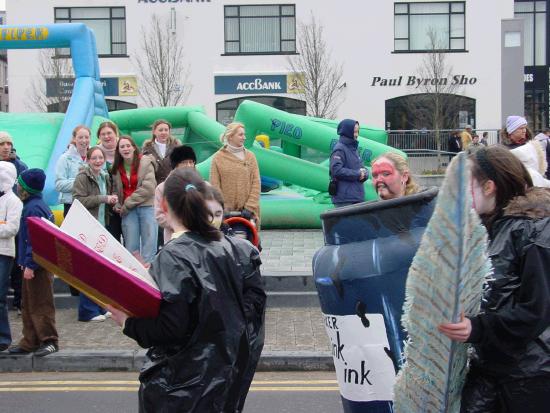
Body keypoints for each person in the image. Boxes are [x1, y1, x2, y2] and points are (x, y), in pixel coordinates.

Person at [107, 169, 263, 413]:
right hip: (226, 382)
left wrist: (128, 323)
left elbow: (170, 328)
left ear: (164, 204)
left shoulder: (174, 256)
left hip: (180, 388)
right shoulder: (238, 249)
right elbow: (247, 318)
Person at [438, 146, 550, 412]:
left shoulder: (534, 231)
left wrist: (477, 328)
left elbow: (536, 311)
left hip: (529, 376)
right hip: (494, 367)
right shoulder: (490, 225)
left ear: (488, 187)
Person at [203, 184, 266, 412]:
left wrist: (232, 320)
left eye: (218, 214)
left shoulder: (241, 250)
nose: (213, 220)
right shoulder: (183, 250)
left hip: (231, 339)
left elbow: (255, 297)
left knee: (228, 399)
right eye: (207, 214)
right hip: (199, 346)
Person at [9, 168, 58, 357]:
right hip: (33, 263)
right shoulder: (35, 205)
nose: (17, 187)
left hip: (37, 265)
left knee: (41, 304)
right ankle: (30, 340)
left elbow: (34, 240)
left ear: (26, 189)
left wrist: (29, 264)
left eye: (19, 185)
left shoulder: (33, 208)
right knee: (29, 304)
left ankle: (49, 340)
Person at [72, 146, 118, 322]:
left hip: (100, 226)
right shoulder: (82, 177)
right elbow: (78, 199)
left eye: (100, 158)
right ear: (88, 160)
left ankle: (99, 306)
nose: (98, 161)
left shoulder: (104, 177)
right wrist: (103, 199)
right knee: (89, 270)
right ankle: (87, 310)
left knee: (100, 269)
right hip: (87, 227)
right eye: (95, 158)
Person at [111, 136, 157, 264]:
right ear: (118, 150)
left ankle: (149, 277)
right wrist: (117, 204)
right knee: (131, 246)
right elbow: (115, 189)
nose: (125, 149)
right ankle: (134, 276)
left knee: (149, 244)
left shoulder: (146, 162)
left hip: (146, 206)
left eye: (128, 146)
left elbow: (148, 188)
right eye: (122, 147)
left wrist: (127, 203)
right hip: (128, 211)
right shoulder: (116, 168)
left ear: (133, 147)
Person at [210, 122, 261, 227]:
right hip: (227, 215)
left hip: (248, 214)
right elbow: (214, 186)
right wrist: (222, 207)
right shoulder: (218, 158)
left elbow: (256, 183)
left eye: (244, 134)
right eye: (240, 134)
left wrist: (249, 207)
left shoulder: (250, 157)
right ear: (230, 136)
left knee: (251, 242)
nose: (244, 137)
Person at [0, 131, 27, 315]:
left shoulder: (20, 166)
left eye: (9, 143)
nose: (6, 147)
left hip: (15, 218)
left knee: (19, 262)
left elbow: (26, 190)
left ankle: (20, 301)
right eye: (2, 144)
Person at [0, 162, 23, 352]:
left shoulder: (13, 201)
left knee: (0, 296)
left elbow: (11, 228)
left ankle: (4, 337)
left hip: (4, 253)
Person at [154, 145, 196, 244]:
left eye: (191, 162)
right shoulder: (162, 188)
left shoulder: (203, 186)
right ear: (176, 165)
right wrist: (180, 224)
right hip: (173, 240)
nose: (189, 165)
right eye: (184, 162)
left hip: (198, 240)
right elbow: (159, 215)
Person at [329, 119, 368, 207]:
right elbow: (336, 170)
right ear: (347, 132)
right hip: (345, 199)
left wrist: (365, 173)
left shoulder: (354, 149)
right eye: (354, 132)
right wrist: (358, 174)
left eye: (357, 132)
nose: (357, 135)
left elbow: (361, 167)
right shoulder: (340, 149)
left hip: (356, 197)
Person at [55, 125, 90, 217]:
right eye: (80, 137)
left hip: (91, 204)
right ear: (74, 139)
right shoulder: (65, 158)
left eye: (86, 137)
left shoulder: (95, 156)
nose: (84, 140)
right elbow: (59, 185)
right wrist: (80, 182)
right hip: (71, 204)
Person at [97, 121, 123, 242]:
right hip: (107, 206)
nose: (107, 136)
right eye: (103, 134)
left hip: (126, 203)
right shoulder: (95, 153)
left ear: (115, 133)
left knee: (130, 241)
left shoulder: (124, 148)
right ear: (99, 136)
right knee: (112, 240)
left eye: (109, 133)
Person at [142, 119, 181, 185]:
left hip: (174, 185)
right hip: (155, 186)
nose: (163, 132)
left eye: (166, 130)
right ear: (154, 132)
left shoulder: (177, 147)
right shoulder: (147, 149)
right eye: (160, 130)